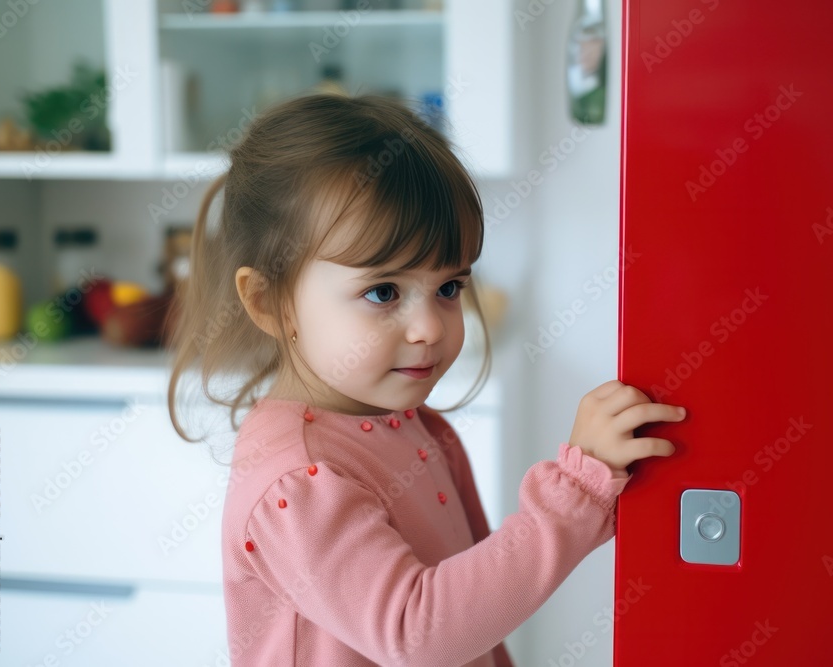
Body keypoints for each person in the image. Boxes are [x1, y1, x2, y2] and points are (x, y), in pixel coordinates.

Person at [166, 93, 687, 667]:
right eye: (383, 292)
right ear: (269, 303)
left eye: (448, 288)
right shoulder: (298, 485)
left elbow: (477, 625)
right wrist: (576, 494)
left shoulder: (415, 426)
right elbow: (418, 636)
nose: (428, 328)